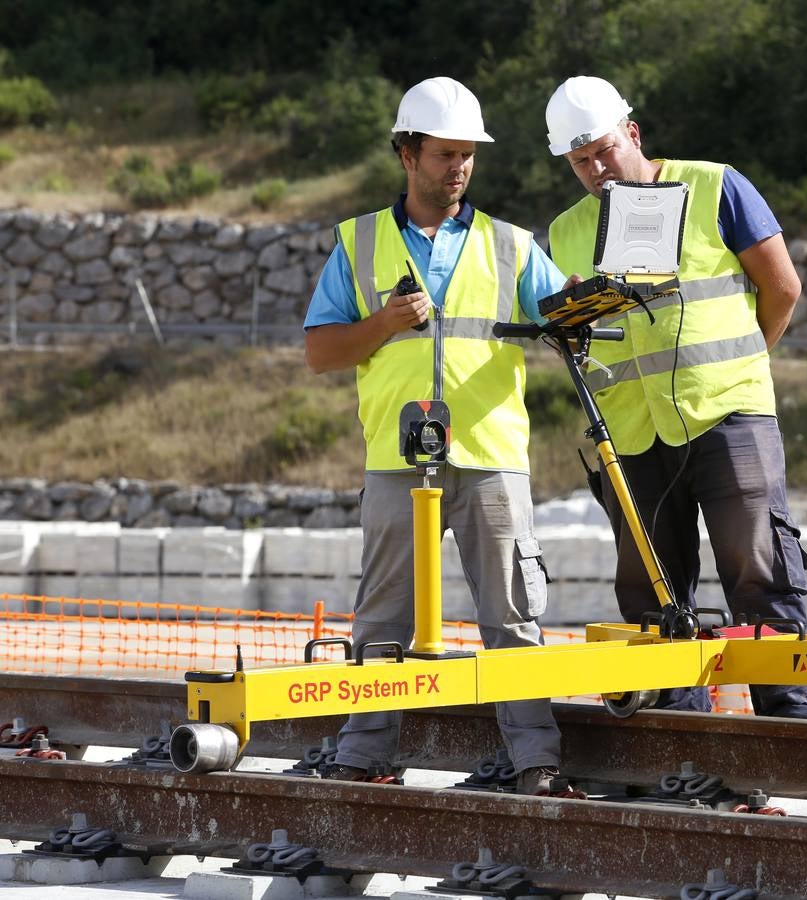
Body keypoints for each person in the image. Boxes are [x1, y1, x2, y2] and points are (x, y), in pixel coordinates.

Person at [303, 76, 567, 794]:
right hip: (396, 457)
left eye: (468, 156)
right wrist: (383, 325)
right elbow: (321, 353)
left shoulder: (511, 245)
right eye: (445, 153)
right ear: (407, 153)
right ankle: (363, 759)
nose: (459, 167)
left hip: (490, 457)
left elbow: (569, 320)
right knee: (383, 619)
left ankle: (536, 763)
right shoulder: (358, 244)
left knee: (513, 617)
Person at [543, 76, 807, 720]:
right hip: (630, 430)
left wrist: (745, 367)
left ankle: (788, 721)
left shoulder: (714, 185)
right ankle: (678, 734)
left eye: (604, 150)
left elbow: (781, 287)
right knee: (652, 593)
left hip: (728, 413)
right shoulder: (564, 233)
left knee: (759, 569)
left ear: (633, 134)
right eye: (580, 159)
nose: (595, 168)